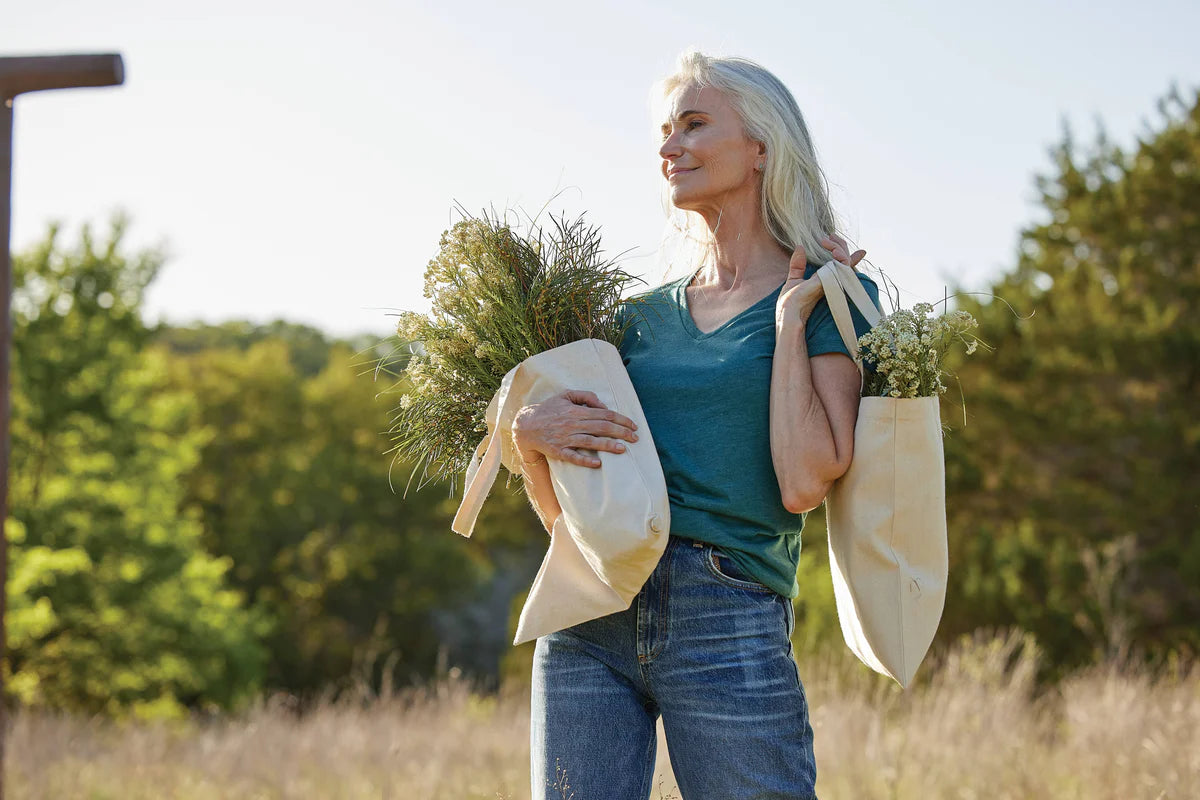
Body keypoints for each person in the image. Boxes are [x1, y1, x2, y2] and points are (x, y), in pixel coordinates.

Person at [510, 49, 880, 800]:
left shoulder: (837, 298)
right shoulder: (631, 322)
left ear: (760, 149)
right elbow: (566, 517)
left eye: (694, 124)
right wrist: (530, 441)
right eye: (665, 130)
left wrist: (787, 320)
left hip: (726, 611)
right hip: (589, 609)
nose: (669, 145)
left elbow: (807, 480)